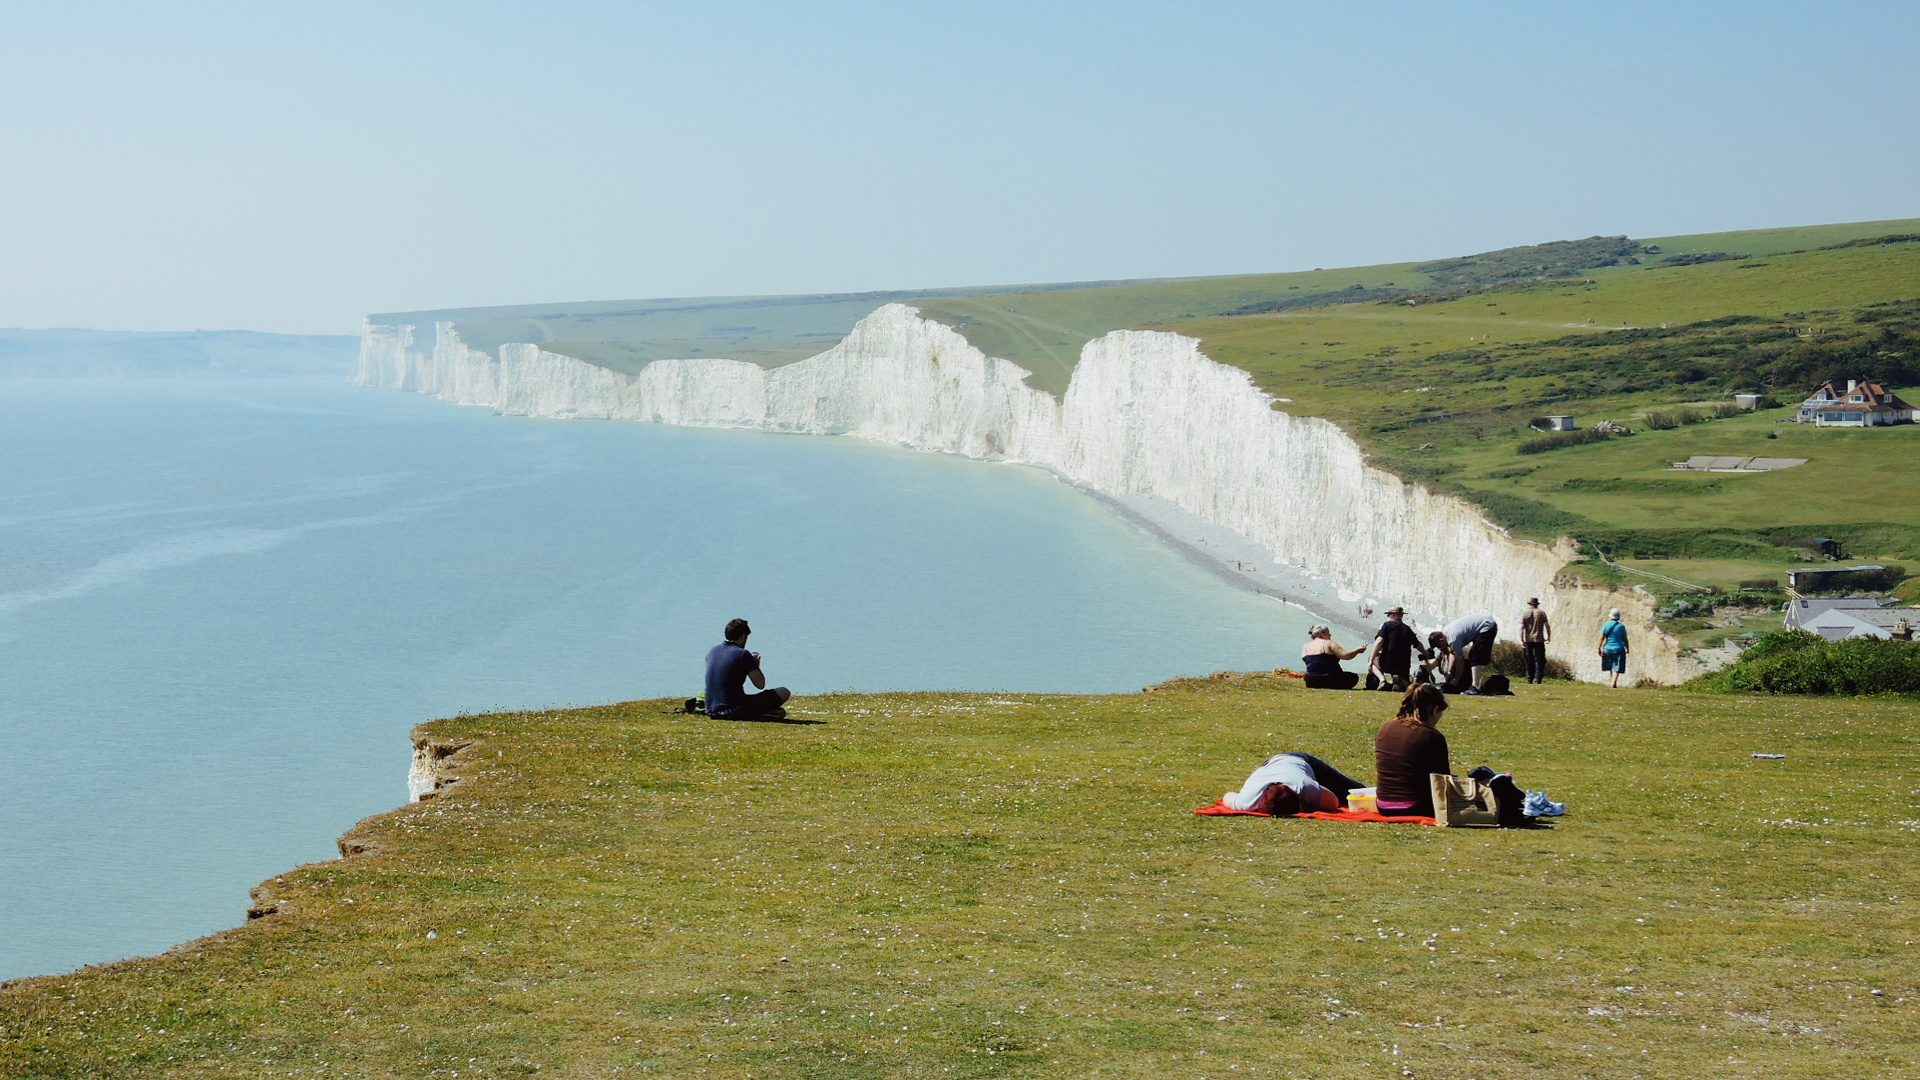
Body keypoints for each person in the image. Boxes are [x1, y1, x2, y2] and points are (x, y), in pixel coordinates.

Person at [1374, 684, 1451, 817]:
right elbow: (1443, 780)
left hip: (1382, 805)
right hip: (1415, 807)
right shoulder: (1432, 736)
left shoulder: (1386, 728)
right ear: (1434, 710)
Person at [1221, 752, 1369, 815]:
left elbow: (1334, 801)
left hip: (1299, 761)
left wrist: (1309, 801)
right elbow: (1228, 796)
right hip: (1267, 767)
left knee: (1358, 792)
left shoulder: (1304, 786)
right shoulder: (1248, 800)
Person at [704, 618, 792, 720]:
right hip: (734, 710)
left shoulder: (713, 651)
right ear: (742, 637)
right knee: (784, 692)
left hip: (711, 709)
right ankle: (764, 714)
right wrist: (755, 665)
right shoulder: (743, 654)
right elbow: (760, 684)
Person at [1366, 606, 1430, 692]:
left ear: (1393, 615)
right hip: (1403, 666)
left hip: (1387, 662)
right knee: (1405, 684)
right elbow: (1418, 645)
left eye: (1389, 614)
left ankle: (1383, 680)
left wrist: (1371, 658)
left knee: (1372, 661)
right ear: (1401, 615)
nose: (1388, 617)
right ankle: (1400, 680)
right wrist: (1426, 654)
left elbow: (1379, 641)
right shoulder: (1407, 629)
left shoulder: (1387, 625)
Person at [1441, 613, 1499, 694]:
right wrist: (1450, 672)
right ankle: (1474, 685)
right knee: (1474, 655)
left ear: (1442, 640)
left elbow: (1460, 661)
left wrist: (1456, 680)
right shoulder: (1445, 632)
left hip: (1487, 625)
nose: (1441, 649)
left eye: (1440, 646)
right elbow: (1453, 652)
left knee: (1476, 655)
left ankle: (1475, 687)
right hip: (1483, 623)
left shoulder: (1453, 638)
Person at [1301, 624, 1364, 689]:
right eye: (1328, 633)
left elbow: (1306, 659)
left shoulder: (1306, 646)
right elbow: (1346, 656)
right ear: (1321, 633)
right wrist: (1357, 651)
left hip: (1311, 680)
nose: (1330, 635)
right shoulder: (1328, 643)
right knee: (1353, 677)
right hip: (1330, 678)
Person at [1520, 598, 1552, 684]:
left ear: (1530, 604)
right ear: (1537, 604)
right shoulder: (1541, 613)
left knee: (1529, 659)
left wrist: (1522, 639)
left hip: (1528, 639)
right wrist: (1548, 637)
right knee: (1540, 659)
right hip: (1539, 638)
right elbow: (1547, 626)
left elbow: (1522, 627)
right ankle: (1539, 678)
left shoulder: (1525, 613)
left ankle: (1530, 678)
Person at [1598, 608, 1631, 688]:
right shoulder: (1621, 627)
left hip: (1608, 648)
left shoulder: (1606, 625)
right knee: (1617, 666)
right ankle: (1614, 682)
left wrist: (1599, 647)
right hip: (1619, 648)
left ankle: (1613, 681)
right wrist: (1627, 648)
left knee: (1610, 666)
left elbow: (1602, 638)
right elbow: (1625, 639)